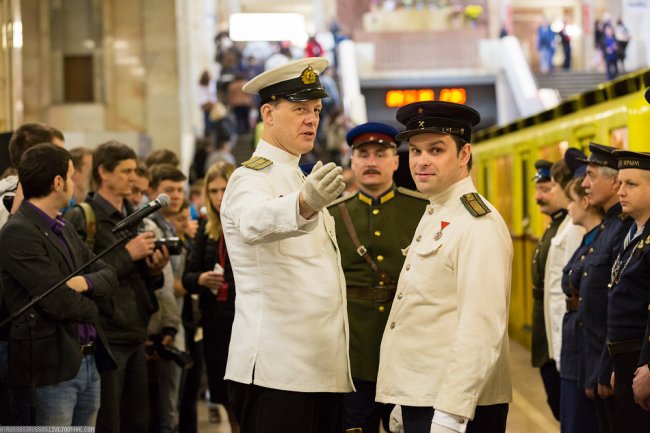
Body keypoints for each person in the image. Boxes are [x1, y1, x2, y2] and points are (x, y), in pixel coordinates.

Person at [219, 57, 352, 433]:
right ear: (268, 114)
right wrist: (304, 204)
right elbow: (252, 222)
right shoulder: (250, 177)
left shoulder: (297, 175)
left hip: (317, 370)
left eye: (315, 110)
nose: (311, 119)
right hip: (276, 373)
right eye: (298, 109)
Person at [376, 101, 513, 433]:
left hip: (453, 409)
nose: (421, 161)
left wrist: (451, 414)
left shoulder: (476, 223)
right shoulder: (438, 210)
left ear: (464, 154)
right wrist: (402, 396)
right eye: (416, 151)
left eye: (436, 150)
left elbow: (480, 327)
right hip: (423, 397)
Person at [0, 143, 117, 426]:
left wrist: (84, 284)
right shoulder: (18, 232)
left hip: (87, 361)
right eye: (72, 174)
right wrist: (96, 306)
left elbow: (108, 272)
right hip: (51, 370)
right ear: (58, 182)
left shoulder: (61, 225)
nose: (75, 181)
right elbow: (57, 301)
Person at [328, 123, 427, 433]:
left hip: (412, 351)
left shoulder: (424, 210)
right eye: (363, 154)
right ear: (352, 161)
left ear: (395, 161)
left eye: (380, 154)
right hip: (354, 355)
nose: (371, 162)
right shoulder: (331, 215)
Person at [64, 141, 169, 433]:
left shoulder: (132, 216)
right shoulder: (85, 217)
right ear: (103, 172)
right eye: (126, 171)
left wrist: (154, 270)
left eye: (135, 170)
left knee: (138, 420)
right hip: (107, 335)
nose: (133, 177)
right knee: (109, 422)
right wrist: (128, 255)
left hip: (136, 330)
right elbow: (83, 275)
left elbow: (137, 273)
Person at [576, 142, 632, 433]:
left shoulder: (622, 229)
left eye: (591, 175)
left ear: (614, 182)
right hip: (595, 359)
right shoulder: (608, 228)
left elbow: (615, 304)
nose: (584, 183)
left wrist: (607, 365)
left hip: (609, 363)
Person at [182, 162, 239, 432]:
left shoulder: (245, 223)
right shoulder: (206, 228)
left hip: (243, 322)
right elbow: (187, 277)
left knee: (245, 391)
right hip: (215, 323)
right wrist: (202, 279)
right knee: (222, 389)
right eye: (213, 191)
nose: (219, 197)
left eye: (224, 189)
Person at [599, 149, 650, 431]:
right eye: (620, 183)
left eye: (632, 184)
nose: (621, 191)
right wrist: (617, 364)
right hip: (626, 361)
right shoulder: (632, 233)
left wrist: (648, 366)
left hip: (641, 361)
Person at [558, 149, 601, 433]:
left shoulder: (600, 238)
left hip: (587, 352)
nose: (568, 206)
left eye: (572, 200)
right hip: (576, 349)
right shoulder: (589, 239)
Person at [544, 160, 584, 376]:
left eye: (553, 187)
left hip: (565, 330)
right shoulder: (568, 222)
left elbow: (570, 290)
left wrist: (561, 352)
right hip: (560, 331)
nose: (551, 193)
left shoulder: (574, 226)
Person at [530, 159, 563, 421]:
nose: (539, 196)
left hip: (557, 338)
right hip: (546, 336)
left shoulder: (566, 229)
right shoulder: (553, 226)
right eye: (538, 189)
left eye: (547, 189)